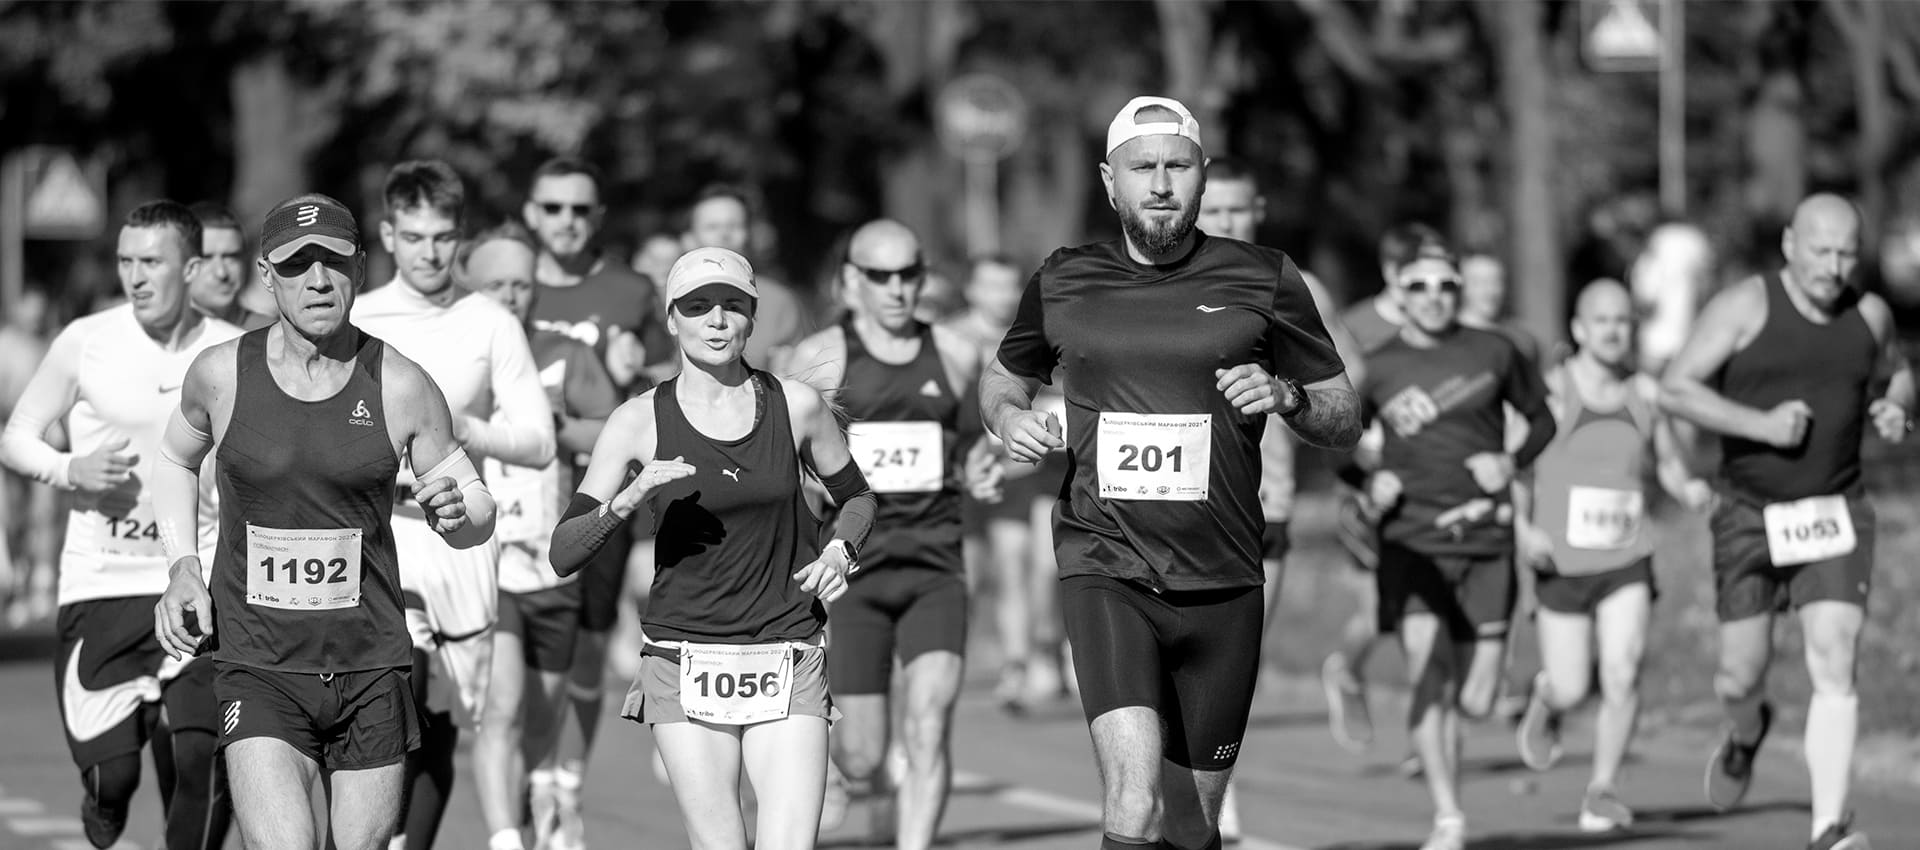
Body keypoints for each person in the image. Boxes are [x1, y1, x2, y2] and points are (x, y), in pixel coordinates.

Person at [982, 96, 1359, 850]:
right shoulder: (1064, 280)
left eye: (1177, 167)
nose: (1160, 184)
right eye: (1142, 168)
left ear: (1202, 175)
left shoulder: (1266, 278)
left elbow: (1343, 414)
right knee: (1132, 803)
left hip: (1223, 576)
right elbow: (1003, 377)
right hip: (1106, 566)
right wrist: (1009, 418)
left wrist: (1285, 396)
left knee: (1192, 823)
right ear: (1109, 180)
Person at [151, 192, 496, 850]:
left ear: (360, 270)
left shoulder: (400, 384)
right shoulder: (222, 375)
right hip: (259, 665)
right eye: (296, 264)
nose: (317, 280)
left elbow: (477, 508)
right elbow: (172, 459)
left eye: (333, 263)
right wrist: (182, 567)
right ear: (266, 274)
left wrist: (458, 514)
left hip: (371, 668)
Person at [547, 246, 877, 850]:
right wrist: (626, 499)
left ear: (752, 317)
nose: (716, 321)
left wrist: (839, 553)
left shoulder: (796, 407)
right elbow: (564, 552)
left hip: (788, 652)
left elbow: (858, 499)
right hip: (684, 659)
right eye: (697, 307)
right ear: (671, 319)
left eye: (731, 306)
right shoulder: (636, 420)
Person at [1659, 194, 1909, 850]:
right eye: (1821, 250)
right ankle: (1746, 731)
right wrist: (1759, 426)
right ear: (1791, 245)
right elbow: (1675, 386)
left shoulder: (1870, 314)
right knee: (1739, 676)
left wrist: (1897, 408)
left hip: (1836, 508)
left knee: (1836, 656)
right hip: (1747, 513)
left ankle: (1828, 826)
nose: (1833, 266)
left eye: (1847, 253)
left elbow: (1898, 374)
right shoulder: (1746, 306)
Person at [1, 200, 243, 850]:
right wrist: (70, 469)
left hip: (196, 583)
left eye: (151, 262)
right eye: (125, 261)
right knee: (114, 778)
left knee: (202, 757)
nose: (135, 276)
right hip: (101, 585)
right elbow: (16, 437)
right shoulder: (88, 340)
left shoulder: (231, 350)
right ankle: (102, 803)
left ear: (190, 268)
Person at [354, 161, 556, 850]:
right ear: (388, 235)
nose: (430, 252)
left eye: (443, 237)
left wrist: (460, 432)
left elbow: (538, 441)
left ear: (459, 238)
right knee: (392, 686)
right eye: (414, 237)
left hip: (462, 541)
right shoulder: (357, 317)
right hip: (379, 540)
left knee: (439, 719)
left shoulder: (491, 322)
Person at [784, 220, 992, 849]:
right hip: (852, 575)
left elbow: (979, 445)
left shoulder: (956, 353)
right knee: (864, 753)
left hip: (935, 567)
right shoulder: (821, 356)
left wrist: (985, 466)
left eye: (909, 274)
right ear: (852, 281)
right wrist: (808, 485)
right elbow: (784, 457)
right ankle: (851, 778)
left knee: (929, 724)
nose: (898, 289)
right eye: (881, 276)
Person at [1356, 235, 1554, 850]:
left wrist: (1510, 459)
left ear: (1459, 292)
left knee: (1475, 697)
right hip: (1411, 542)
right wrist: (1370, 478)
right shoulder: (1377, 365)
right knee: (1426, 674)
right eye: (1420, 286)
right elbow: (1335, 436)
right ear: (1400, 292)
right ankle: (1449, 817)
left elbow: (1543, 418)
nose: (1434, 297)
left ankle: (1538, 695)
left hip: (1486, 541)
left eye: (1446, 285)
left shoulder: (1496, 351)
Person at [1195, 155, 1366, 839]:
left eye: (1241, 210)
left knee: (1239, 656)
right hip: (1182, 498)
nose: (1230, 222)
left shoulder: (1290, 284)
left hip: (1271, 500)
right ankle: (1172, 773)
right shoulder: (1163, 281)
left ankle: (1215, 784)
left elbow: (1349, 373)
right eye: (1218, 210)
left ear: (1258, 212)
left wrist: (1294, 391)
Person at [1512, 279, 1713, 832]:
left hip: (1627, 557)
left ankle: (1602, 789)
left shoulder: (1645, 396)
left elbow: (1668, 462)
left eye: (1623, 320)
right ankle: (1549, 700)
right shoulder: (1551, 392)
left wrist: (1689, 488)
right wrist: (1525, 531)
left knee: (1622, 672)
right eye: (1602, 320)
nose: (1614, 330)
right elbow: (1519, 469)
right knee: (1574, 684)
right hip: (1561, 561)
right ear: (1578, 329)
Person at [458, 223, 622, 850]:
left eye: (521, 284)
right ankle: (506, 839)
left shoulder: (563, 355)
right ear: (470, 285)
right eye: (495, 283)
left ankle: (533, 799)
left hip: (552, 564)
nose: (510, 296)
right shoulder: (452, 357)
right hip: (484, 563)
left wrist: (553, 425)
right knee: (499, 710)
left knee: (541, 717)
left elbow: (615, 432)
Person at [522, 156, 667, 839]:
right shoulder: (507, 285)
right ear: (531, 214)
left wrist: (638, 371)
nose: (567, 221)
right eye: (553, 208)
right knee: (520, 657)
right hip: (517, 496)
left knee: (587, 649)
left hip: (598, 496)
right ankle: (532, 774)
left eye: (581, 209)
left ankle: (568, 785)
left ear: (599, 217)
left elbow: (678, 374)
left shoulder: (632, 289)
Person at [1321, 222, 1443, 755]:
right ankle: (1345, 669)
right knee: (1379, 613)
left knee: (1431, 609)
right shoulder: (1357, 326)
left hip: (1429, 487)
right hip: (1365, 485)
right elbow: (1333, 399)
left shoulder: (1444, 328)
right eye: (1420, 277)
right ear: (1395, 273)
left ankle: (1430, 739)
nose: (1436, 290)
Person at [944, 255, 1072, 712]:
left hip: (1029, 472)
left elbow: (1058, 393)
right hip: (974, 475)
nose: (1000, 296)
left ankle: (1034, 656)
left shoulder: (1037, 331)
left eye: (1008, 287)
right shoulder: (950, 338)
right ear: (973, 291)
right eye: (991, 287)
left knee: (1032, 565)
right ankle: (994, 663)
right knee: (990, 573)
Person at [683, 183, 817, 368]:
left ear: (749, 234)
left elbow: (801, 378)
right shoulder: (663, 299)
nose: (724, 234)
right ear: (688, 238)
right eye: (712, 227)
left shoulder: (779, 302)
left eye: (734, 225)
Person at [188, 201, 276, 330]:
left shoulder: (272, 337)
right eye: (206, 258)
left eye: (231, 257)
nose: (221, 272)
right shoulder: (155, 339)